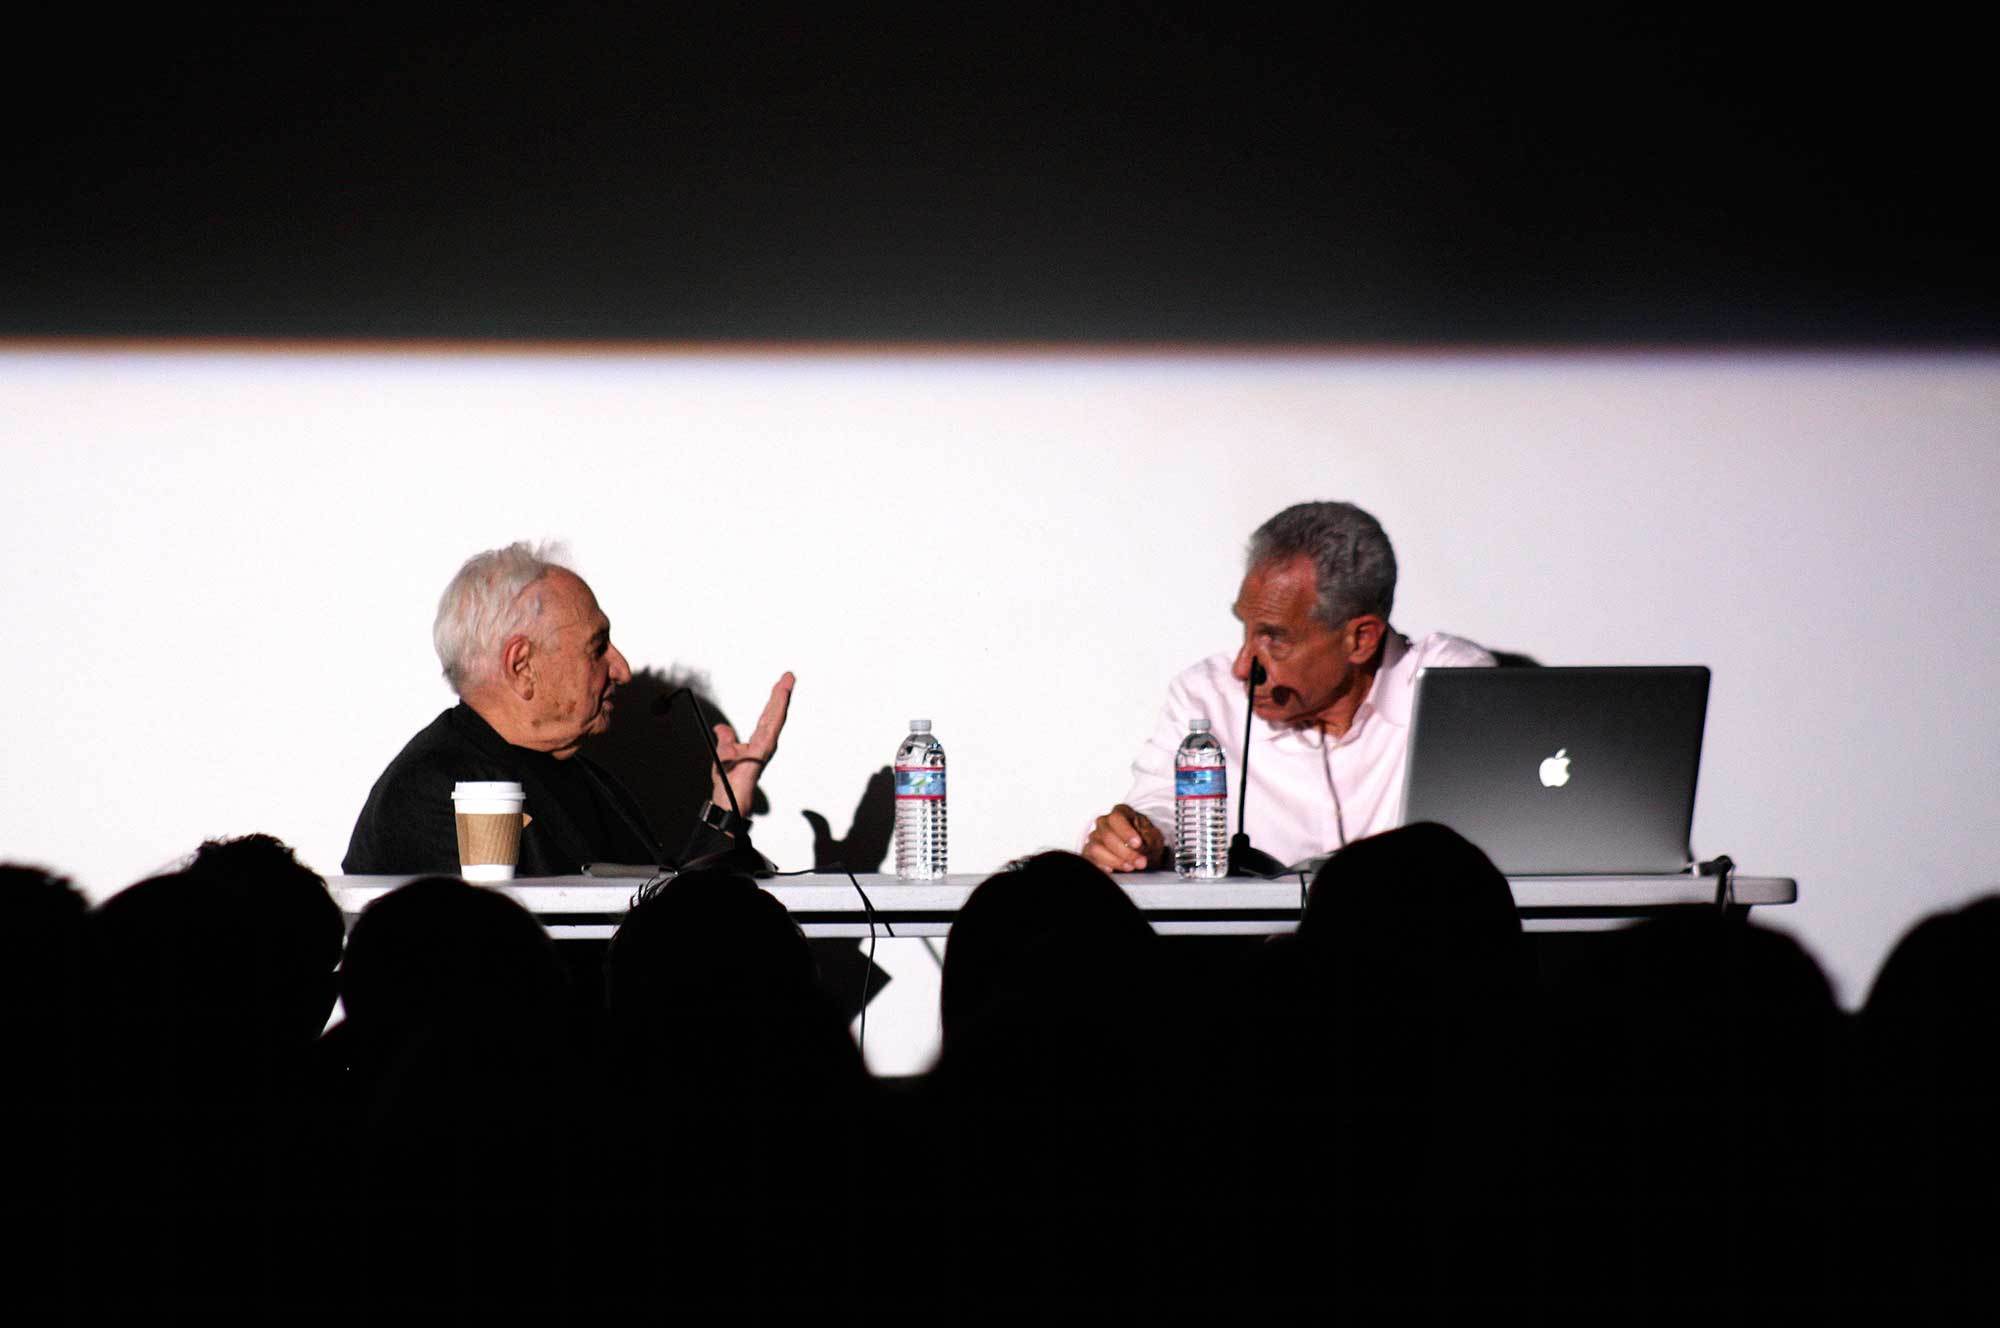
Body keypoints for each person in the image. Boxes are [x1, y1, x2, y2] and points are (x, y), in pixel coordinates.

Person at [1083, 501, 1493, 873]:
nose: (1244, 667)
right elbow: (1160, 808)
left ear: (1361, 639)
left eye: (1275, 638)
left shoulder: (1449, 688)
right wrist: (1141, 835)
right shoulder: (1207, 697)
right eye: (1245, 628)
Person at [343, 541, 793, 875]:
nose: (621, 669)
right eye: (597, 648)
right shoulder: (435, 790)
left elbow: (662, 923)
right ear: (522, 666)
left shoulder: (587, 779)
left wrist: (726, 805)